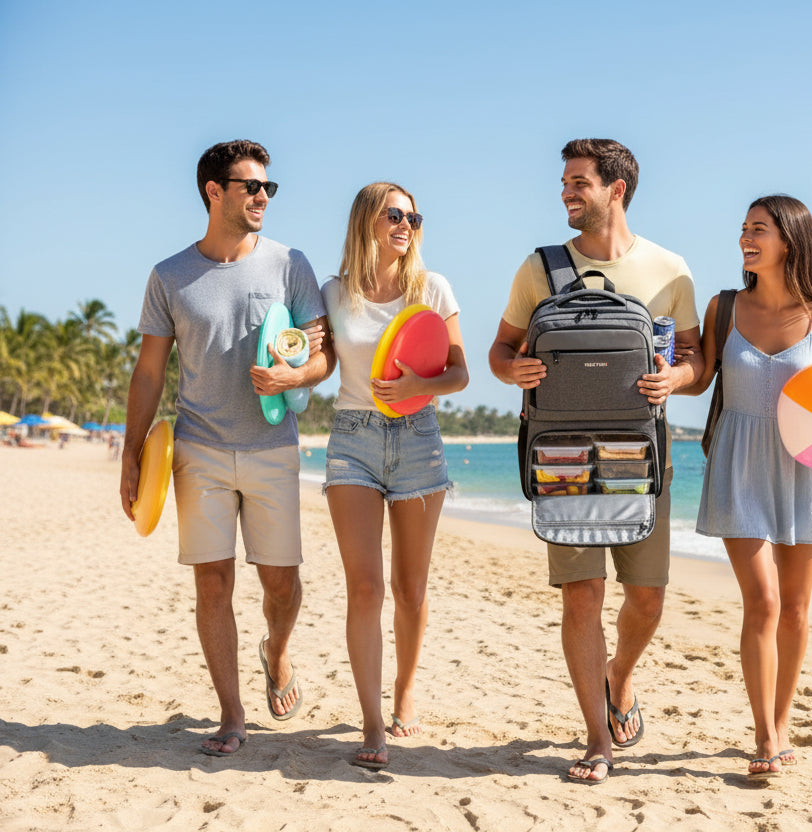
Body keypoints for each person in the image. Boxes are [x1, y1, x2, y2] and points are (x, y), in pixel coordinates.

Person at [489, 138, 704, 784]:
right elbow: (500, 350)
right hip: (561, 457)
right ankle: (595, 740)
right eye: (564, 182)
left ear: (618, 189)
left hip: (643, 459)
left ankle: (621, 676)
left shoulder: (671, 271)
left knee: (648, 599)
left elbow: (696, 357)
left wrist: (679, 380)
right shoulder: (540, 269)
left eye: (579, 182)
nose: (566, 192)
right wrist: (515, 369)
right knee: (581, 599)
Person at [120, 140, 334, 757]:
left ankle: (278, 650)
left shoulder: (290, 264)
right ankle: (232, 713)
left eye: (269, 187)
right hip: (199, 448)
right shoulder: (170, 276)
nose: (263, 196)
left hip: (273, 447)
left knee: (282, 585)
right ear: (215, 192)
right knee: (212, 583)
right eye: (251, 186)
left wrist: (297, 375)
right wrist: (133, 453)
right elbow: (149, 372)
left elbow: (319, 356)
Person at [688, 194, 812, 781]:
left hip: (807, 469)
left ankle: (782, 719)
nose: (745, 237)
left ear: (789, 239)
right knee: (763, 601)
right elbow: (699, 378)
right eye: (743, 228)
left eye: (758, 229)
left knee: (794, 609)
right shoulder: (723, 307)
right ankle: (764, 735)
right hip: (738, 464)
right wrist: (671, 375)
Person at [320, 182, 468, 770]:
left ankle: (405, 691)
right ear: (367, 221)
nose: (406, 224)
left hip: (418, 438)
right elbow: (317, 356)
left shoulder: (432, 288)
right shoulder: (332, 292)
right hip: (352, 437)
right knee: (366, 588)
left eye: (413, 216)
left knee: (410, 589)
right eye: (394, 215)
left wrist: (416, 388)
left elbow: (458, 373)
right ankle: (373, 723)